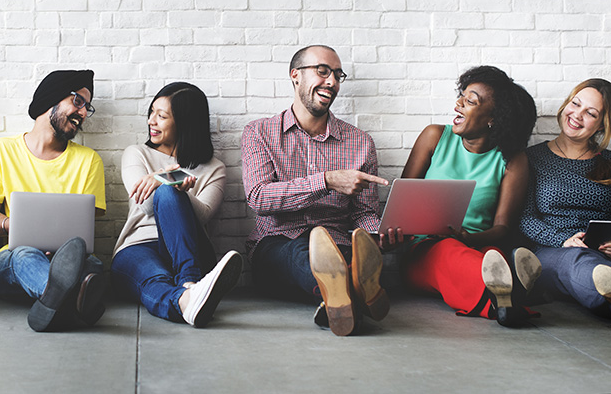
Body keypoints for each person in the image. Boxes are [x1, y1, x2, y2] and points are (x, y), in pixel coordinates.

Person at [242, 45, 392, 336]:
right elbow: (259, 197)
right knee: (302, 252)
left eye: (337, 75)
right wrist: (326, 181)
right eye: (322, 71)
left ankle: (339, 298)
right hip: (277, 244)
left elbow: (364, 212)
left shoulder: (360, 142)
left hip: (340, 243)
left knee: (349, 255)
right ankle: (358, 290)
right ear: (295, 75)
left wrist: (378, 236)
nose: (332, 82)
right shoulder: (259, 132)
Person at [402, 65, 540, 327]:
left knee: (490, 256)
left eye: (470, 100)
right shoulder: (434, 136)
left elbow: (502, 227)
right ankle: (515, 290)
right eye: (461, 95)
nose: (458, 104)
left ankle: (505, 297)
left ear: (494, 118)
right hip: (425, 248)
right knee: (451, 252)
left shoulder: (512, 158)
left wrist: (467, 237)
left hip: (479, 245)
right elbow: (402, 202)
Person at [0, 70, 107, 332]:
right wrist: (17, 226)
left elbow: (85, 226)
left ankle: (53, 302)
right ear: (51, 99)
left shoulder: (89, 160)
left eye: (87, 107)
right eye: (78, 102)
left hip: (69, 258)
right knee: (25, 254)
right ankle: (71, 299)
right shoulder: (2, 150)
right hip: (14, 261)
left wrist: (62, 250)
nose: (83, 113)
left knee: (91, 264)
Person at [112, 82, 242, 327]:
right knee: (155, 279)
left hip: (188, 251)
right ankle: (187, 299)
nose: (152, 121)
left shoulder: (214, 168)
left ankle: (188, 282)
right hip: (139, 246)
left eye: (161, 116)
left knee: (170, 194)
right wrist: (168, 177)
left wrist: (172, 182)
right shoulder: (136, 153)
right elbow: (146, 205)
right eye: (151, 113)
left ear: (185, 122)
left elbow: (202, 216)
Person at [519, 78, 611, 318]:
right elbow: (524, 217)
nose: (577, 115)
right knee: (577, 261)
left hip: (601, 252)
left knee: (592, 265)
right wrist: (563, 240)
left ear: (601, 125)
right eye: (575, 104)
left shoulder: (608, 162)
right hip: (552, 251)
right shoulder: (531, 158)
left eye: (590, 113)